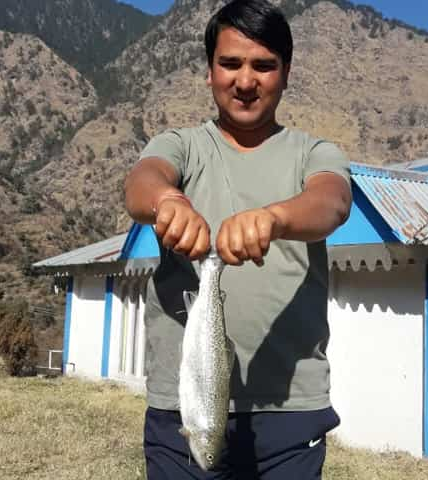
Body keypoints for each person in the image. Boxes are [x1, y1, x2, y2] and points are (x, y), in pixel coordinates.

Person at [123, 0, 352, 478]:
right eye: (230, 63)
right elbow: (142, 181)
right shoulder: (181, 144)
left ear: (286, 74)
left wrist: (276, 219)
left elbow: (332, 202)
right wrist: (168, 201)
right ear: (209, 71)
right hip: (183, 406)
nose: (245, 81)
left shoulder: (314, 152)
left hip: (290, 412)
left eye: (263, 66)